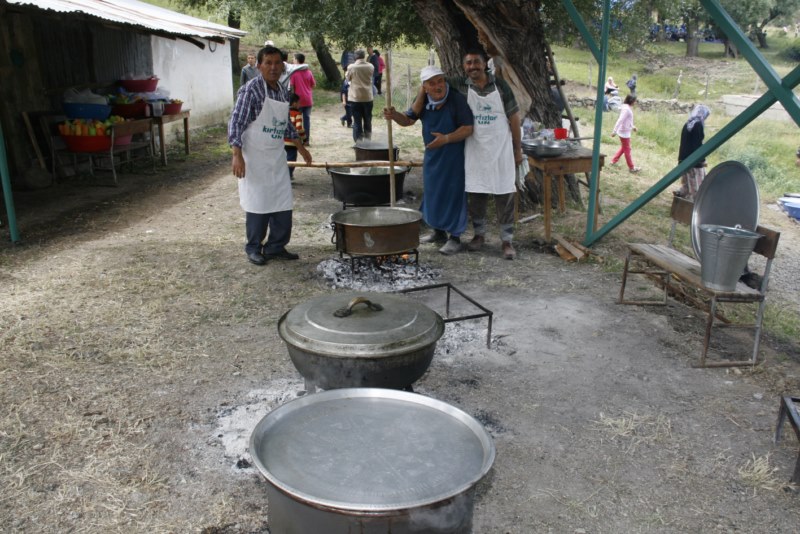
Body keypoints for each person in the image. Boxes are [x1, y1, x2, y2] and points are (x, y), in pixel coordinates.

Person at [412, 50, 522, 259]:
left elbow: (514, 118)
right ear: (464, 67)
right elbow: (431, 84)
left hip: (500, 148)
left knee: (504, 193)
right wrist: (422, 88)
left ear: (484, 64)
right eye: (469, 63)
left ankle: (506, 241)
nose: (473, 66)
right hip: (474, 148)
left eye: (476, 62)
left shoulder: (501, 86)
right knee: (476, 193)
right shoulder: (459, 85)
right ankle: (479, 235)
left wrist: (518, 149)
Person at [228, 45, 312, 266]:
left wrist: (301, 148)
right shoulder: (251, 90)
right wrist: (237, 155)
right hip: (254, 158)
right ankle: (254, 248)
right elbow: (236, 122)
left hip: (275, 157)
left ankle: (275, 246)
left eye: (277, 63)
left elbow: (283, 125)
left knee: (282, 203)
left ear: (283, 66)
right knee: (258, 204)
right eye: (268, 63)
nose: (273, 68)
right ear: (259, 65)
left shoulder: (282, 91)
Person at [384, 65, 474, 256]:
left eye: (440, 81)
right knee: (434, 193)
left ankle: (455, 237)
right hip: (433, 156)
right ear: (425, 87)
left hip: (454, 156)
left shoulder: (456, 100)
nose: (438, 86)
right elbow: (408, 120)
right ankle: (438, 231)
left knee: (453, 194)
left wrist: (447, 138)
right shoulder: (423, 101)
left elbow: (468, 128)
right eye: (432, 83)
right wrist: (394, 115)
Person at [674, 104, 711, 201]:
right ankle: (692, 206)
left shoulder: (687, 124)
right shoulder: (698, 125)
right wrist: (702, 161)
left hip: (683, 159)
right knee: (696, 187)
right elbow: (697, 145)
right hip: (693, 162)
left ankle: (681, 198)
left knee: (687, 184)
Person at [346, 49, 375, 142]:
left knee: (357, 121)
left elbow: (347, 78)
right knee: (368, 120)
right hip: (368, 97)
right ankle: (367, 140)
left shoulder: (352, 67)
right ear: (364, 56)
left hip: (356, 98)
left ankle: (358, 142)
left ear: (355, 56)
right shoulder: (370, 66)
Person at [288, 52, 315, 146]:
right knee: (307, 120)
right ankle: (306, 140)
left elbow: (292, 87)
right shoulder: (309, 72)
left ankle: (297, 139)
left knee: (296, 121)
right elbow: (313, 85)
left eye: (294, 59)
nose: (292, 60)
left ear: (297, 61)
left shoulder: (294, 73)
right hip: (308, 99)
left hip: (298, 101)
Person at [610, 95, 640, 173]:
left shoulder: (626, 107)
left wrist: (633, 127)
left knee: (624, 148)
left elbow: (628, 120)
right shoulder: (626, 109)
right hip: (624, 133)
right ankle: (631, 167)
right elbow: (620, 120)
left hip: (624, 131)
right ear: (631, 101)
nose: (635, 102)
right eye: (635, 101)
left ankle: (613, 161)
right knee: (627, 150)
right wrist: (614, 131)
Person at [285, 93, 305, 180]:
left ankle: (283, 175)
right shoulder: (297, 114)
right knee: (292, 160)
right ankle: (288, 176)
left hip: (282, 141)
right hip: (293, 143)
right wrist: (304, 138)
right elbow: (299, 128)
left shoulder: (284, 112)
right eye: (299, 102)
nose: (300, 104)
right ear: (294, 103)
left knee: (283, 159)